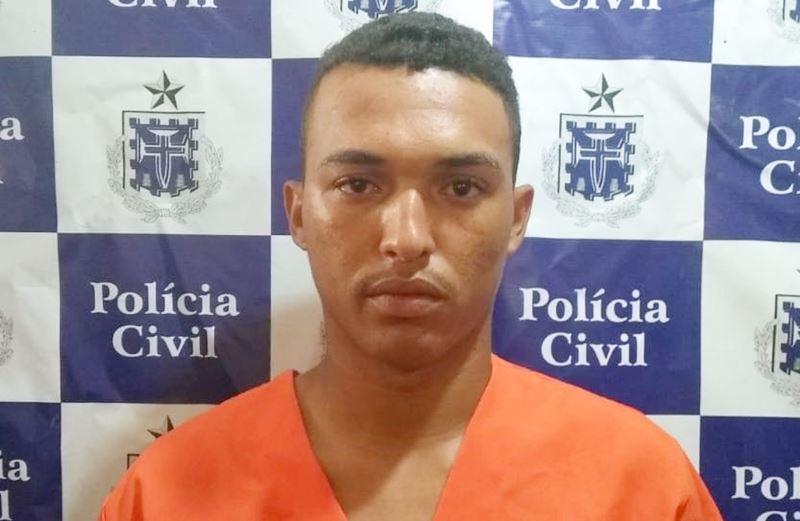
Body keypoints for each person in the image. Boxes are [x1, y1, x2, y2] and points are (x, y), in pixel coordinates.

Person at [99, 12, 723, 520]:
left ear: (516, 219)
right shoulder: (166, 494)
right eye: (358, 185)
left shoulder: (640, 486)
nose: (407, 239)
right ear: (298, 215)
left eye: (461, 188)